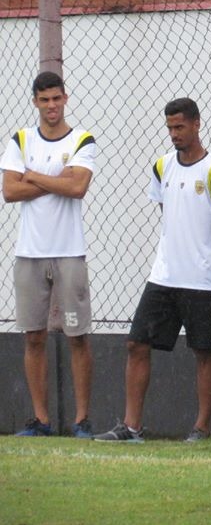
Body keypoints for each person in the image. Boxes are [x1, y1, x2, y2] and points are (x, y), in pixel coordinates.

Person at [94, 97, 211, 443]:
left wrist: (208, 257)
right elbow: (167, 212)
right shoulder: (162, 167)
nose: (174, 134)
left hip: (201, 281)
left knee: (203, 351)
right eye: (170, 128)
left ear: (196, 124)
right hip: (163, 276)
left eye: (180, 127)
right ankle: (131, 427)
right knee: (136, 344)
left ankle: (201, 428)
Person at [1, 71, 97, 438]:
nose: (51, 106)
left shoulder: (82, 139)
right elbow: (9, 191)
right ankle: (41, 420)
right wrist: (56, 178)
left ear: (65, 98)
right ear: (35, 102)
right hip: (30, 253)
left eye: (56, 98)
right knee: (33, 336)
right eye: (45, 100)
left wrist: (33, 176)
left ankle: (82, 420)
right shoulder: (21, 140)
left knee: (78, 335)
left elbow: (77, 188)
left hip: (70, 252)